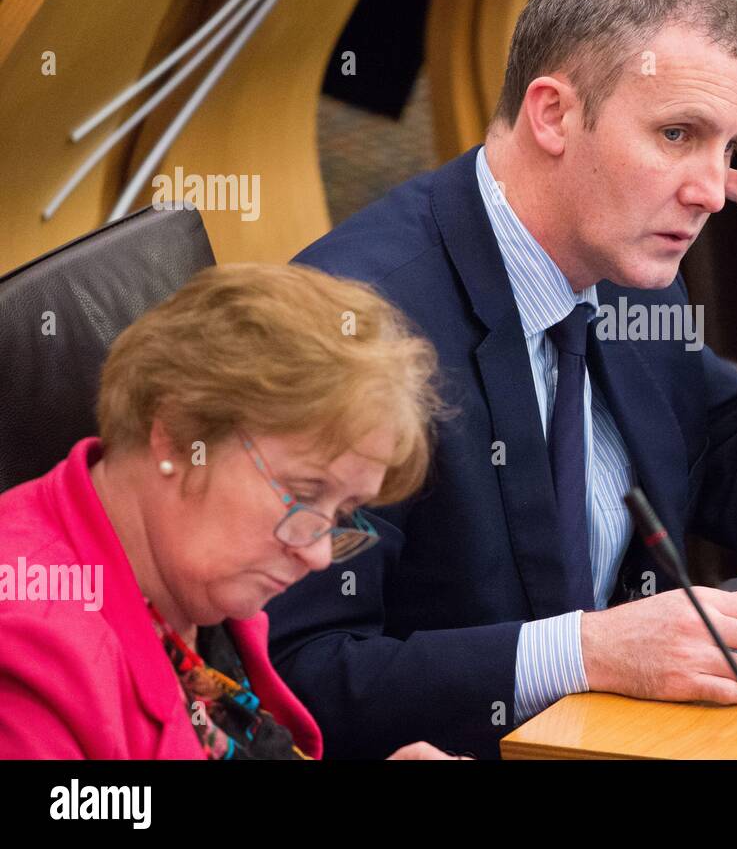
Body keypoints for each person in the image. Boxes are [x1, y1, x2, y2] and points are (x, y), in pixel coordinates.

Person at [269, 0, 737, 758]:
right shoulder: (355, 328)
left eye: (731, 148)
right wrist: (586, 650)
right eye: (677, 134)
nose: (712, 194)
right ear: (552, 114)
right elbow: (298, 679)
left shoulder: (625, 270)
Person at [0, 263, 453, 759]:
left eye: (343, 512)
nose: (320, 555)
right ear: (176, 433)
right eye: (303, 493)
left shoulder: (192, 590)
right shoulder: (24, 654)